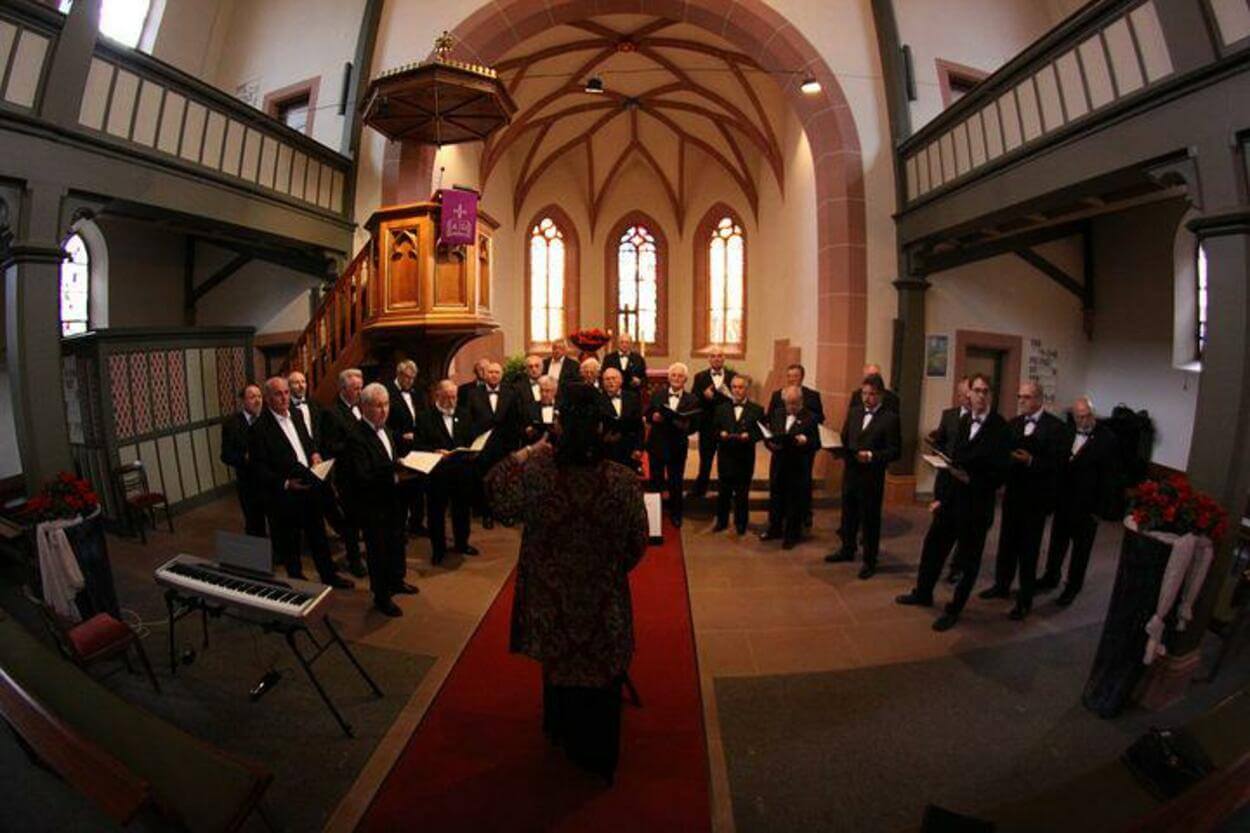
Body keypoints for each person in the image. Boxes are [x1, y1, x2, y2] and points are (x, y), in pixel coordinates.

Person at [485, 383, 648, 784]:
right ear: (601, 428)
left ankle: (560, 733)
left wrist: (528, 451)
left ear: (559, 425)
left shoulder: (539, 473)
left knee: (559, 671)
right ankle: (599, 758)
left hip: (551, 604)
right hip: (602, 607)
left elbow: (495, 493)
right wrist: (602, 573)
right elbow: (637, 546)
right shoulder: (624, 481)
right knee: (602, 681)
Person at [896, 373, 1010, 631]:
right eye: (976, 390)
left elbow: (1002, 474)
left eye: (985, 391)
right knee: (933, 547)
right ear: (968, 394)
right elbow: (953, 463)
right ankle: (923, 592)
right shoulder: (964, 420)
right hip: (952, 502)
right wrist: (940, 499)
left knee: (968, 562)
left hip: (977, 507)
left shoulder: (1000, 428)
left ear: (990, 395)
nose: (980, 396)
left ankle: (954, 609)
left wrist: (972, 479)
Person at [247, 376, 352, 588]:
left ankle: (329, 575)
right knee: (290, 542)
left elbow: (308, 441)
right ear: (267, 398)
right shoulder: (259, 429)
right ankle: (297, 581)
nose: (285, 397)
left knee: (318, 536)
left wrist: (314, 453)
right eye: (278, 394)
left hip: (310, 484)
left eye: (286, 392)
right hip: (286, 494)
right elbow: (258, 469)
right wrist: (285, 483)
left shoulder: (295, 414)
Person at [980, 382, 1065, 620]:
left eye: (1026, 397)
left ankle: (1024, 600)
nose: (1022, 401)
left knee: (1029, 550)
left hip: (1036, 499)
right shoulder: (1014, 424)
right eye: (1020, 397)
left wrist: (1031, 461)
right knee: (1006, 543)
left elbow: (1058, 465)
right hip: (1013, 495)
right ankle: (1001, 585)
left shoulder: (1056, 427)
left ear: (1039, 399)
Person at [344, 383, 417, 617]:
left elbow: (391, 458)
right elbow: (362, 475)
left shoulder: (385, 429)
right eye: (378, 406)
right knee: (379, 551)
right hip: (373, 505)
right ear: (364, 407)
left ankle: (397, 581)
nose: (384, 410)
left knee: (397, 543)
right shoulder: (356, 436)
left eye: (386, 404)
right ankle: (381, 596)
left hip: (393, 500)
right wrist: (394, 470)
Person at [1038, 396, 1118, 606]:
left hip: (1088, 506)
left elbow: (1110, 477)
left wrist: (1100, 510)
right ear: (1073, 417)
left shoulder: (1107, 438)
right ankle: (1050, 577)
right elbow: (1058, 465)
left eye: (1087, 416)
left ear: (1093, 413)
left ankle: (1072, 587)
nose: (1084, 421)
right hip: (1064, 501)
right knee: (1057, 544)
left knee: (1080, 551)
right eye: (1079, 417)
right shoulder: (1066, 432)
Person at [828, 375, 902, 578]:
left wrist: (871, 456)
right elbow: (845, 439)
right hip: (851, 472)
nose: (867, 398)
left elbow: (895, 451)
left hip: (871, 477)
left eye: (871, 394)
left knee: (870, 520)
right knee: (848, 514)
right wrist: (836, 448)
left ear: (881, 395)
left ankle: (870, 560)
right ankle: (847, 549)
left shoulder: (890, 418)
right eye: (864, 393)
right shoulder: (854, 412)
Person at [415, 380, 478, 564]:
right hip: (437, 474)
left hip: (461, 472)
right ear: (437, 396)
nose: (452, 401)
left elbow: (470, 439)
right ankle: (439, 550)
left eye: (454, 397)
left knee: (462, 510)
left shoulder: (464, 414)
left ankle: (461, 543)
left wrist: (472, 449)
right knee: (436, 514)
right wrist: (434, 452)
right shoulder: (424, 417)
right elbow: (418, 445)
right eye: (447, 397)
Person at [318, 368, 367, 578]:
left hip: (364, 472)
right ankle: (354, 561)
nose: (360, 392)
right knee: (350, 523)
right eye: (356, 388)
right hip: (346, 475)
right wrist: (353, 441)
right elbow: (329, 446)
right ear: (343, 389)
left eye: (361, 388)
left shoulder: (362, 408)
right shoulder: (332, 413)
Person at [463, 361, 520, 529]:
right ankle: (487, 513)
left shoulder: (511, 393)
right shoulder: (473, 394)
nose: (494, 375)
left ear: (501, 375)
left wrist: (513, 446)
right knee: (484, 480)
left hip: (504, 445)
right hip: (483, 445)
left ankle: (503, 513)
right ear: (485, 374)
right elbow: (468, 420)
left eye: (497, 372)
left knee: (504, 480)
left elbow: (515, 420)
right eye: (491, 372)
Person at [761, 385, 820, 549]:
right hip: (779, 462)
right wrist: (771, 444)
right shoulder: (778, 413)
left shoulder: (811, 418)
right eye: (788, 403)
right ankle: (774, 528)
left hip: (798, 465)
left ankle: (792, 535)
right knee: (776, 496)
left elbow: (816, 442)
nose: (791, 407)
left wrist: (805, 441)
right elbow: (769, 435)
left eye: (794, 403)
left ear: (801, 401)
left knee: (794, 500)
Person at [767, 364, 824, 528]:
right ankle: (778, 522)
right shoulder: (778, 395)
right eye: (789, 375)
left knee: (801, 485)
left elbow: (818, 420)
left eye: (795, 375)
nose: (792, 378)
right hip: (781, 451)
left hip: (802, 452)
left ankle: (803, 516)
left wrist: (804, 432)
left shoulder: (812, 396)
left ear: (802, 377)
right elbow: (771, 418)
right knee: (778, 487)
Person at [928, 377, 971, 585]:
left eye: (966, 394)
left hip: (966, 482)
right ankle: (934, 564)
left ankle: (958, 566)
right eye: (960, 394)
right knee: (940, 527)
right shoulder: (950, 415)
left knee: (964, 528)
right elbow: (939, 444)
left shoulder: (980, 421)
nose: (963, 398)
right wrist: (936, 451)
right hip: (946, 479)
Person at [645, 363, 699, 527]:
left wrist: (686, 426)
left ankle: (676, 514)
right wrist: (652, 417)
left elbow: (695, 424)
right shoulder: (657, 394)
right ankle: (655, 514)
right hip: (657, 444)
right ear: (668, 378)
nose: (676, 378)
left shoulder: (692, 399)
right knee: (656, 480)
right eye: (673, 375)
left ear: (686, 379)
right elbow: (647, 414)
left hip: (677, 445)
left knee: (676, 481)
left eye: (680, 376)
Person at [712, 375, 763, 535]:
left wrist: (750, 436)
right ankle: (721, 521)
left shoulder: (757, 410)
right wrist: (721, 433)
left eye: (740, 387)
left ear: (746, 389)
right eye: (734, 387)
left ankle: (741, 523)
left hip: (745, 457)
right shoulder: (721, 408)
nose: (737, 390)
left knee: (742, 492)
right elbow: (713, 430)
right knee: (724, 491)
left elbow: (761, 433)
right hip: (726, 456)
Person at [386, 359, 427, 535]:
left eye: (413, 378)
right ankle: (400, 528)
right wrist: (400, 436)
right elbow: (383, 425)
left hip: (417, 447)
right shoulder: (387, 392)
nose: (410, 381)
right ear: (399, 374)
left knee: (418, 488)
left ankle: (417, 524)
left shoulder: (417, 393)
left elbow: (422, 417)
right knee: (402, 491)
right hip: (399, 447)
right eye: (408, 377)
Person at [220, 384, 266, 537]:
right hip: (248, 482)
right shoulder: (232, 424)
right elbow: (225, 455)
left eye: (259, 396)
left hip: (271, 479)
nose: (257, 401)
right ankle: (259, 557)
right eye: (252, 397)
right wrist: (243, 458)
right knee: (254, 523)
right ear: (243, 401)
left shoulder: (268, 419)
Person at [692, 347, 736, 498]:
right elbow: (693, 400)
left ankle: (727, 492)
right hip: (707, 425)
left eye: (719, 356)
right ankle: (700, 489)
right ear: (709, 359)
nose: (716, 358)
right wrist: (704, 396)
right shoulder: (700, 377)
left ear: (724, 358)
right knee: (705, 460)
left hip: (727, 425)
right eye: (713, 356)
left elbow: (736, 400)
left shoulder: (733, 376)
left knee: (727, 461)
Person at [599, 367, 643, 470]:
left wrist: (639, 448)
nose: (611, 382)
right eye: (607, 379)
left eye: (614, 378)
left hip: (629, 449)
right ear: (603, 382)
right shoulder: (597, 400)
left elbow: (639, 426)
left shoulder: (633, 398)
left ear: (621, 380)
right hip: (606, 451)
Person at [522, 375, 560, 444]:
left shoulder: (561, 408)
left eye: (547, 391)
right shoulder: (530, 408)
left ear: (555, 391)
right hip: (536, 448)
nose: (544, 394)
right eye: (541, 390)